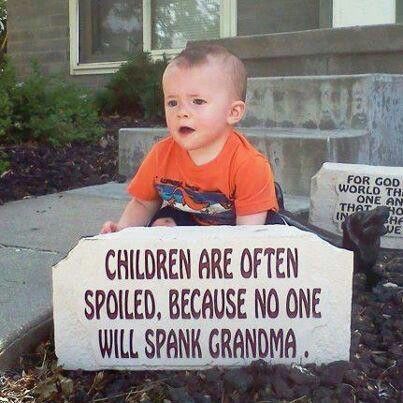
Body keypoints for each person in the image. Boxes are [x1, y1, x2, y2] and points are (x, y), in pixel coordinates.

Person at [101, 44, 282, 233]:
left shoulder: (249, 166)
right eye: (173, 102)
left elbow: (248, 236)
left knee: (274, 233)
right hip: (191, 221)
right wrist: (122, 232)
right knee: (163, 225)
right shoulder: (161, 155)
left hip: (238, 227)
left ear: (233, 112)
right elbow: (143, 203)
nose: (182, 112)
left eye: (198, 101)